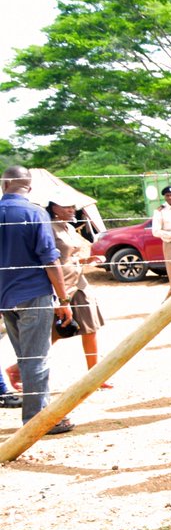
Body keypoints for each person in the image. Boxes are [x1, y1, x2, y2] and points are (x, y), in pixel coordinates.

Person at [0, 166, 74, 432]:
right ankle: (37, 420)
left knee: (26, 357)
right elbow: (50, 259)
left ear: (4, 185)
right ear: (28, 187)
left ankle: (35, 416)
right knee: (37, 359)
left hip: (5, 297)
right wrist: (64, 301)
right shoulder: (34, 212)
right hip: (33, 294)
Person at [47, 195, 113, 389]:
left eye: (72, 206)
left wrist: (88, 260)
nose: (70, 209)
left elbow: (73, 255)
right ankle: (19, 367)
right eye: (65, 205)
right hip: (61, 284)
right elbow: (51, 260)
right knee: (57, 330)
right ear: (53, 208)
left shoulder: (69, 227)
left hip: (79, 281)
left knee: (90, 325)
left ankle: (95, 377)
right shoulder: (48, 227)